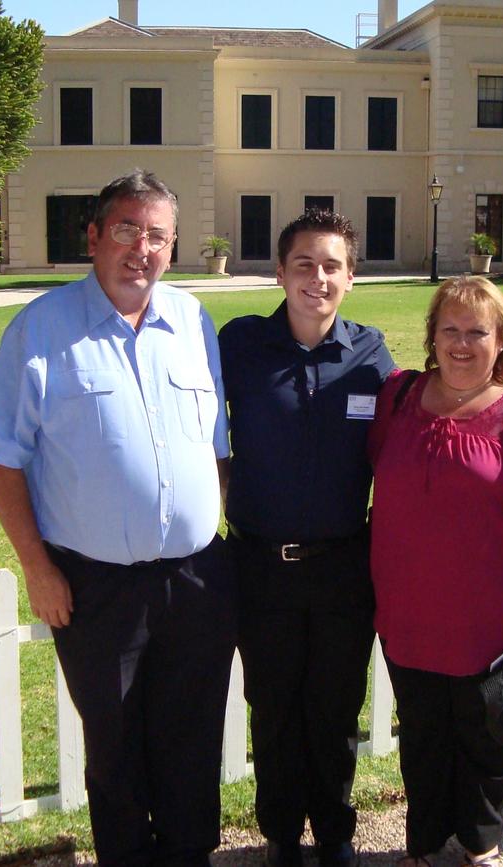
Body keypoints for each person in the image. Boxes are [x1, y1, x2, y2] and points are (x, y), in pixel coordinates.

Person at [0, 170, 236, 867]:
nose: (141, 248)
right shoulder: (42, 329)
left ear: (173, 248)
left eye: (158, 235)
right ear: (94, 236)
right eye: (126, 229)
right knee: (113, 742)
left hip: (196, 577)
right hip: (96, 584)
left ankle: (188, 854)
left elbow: (216, 447)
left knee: (193, 733)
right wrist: (37, 567)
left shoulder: (193, 322)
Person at [368, 276, 503, 867]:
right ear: (432, 336)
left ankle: (480, 842)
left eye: (477, 332)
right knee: (424, 733)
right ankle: (425, 842)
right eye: (450, 330)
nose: (462, 344)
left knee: (485, 737)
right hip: (407, 611)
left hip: (489, 616)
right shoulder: (400, 399)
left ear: (501, 341)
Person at [219, 209, 395, 867]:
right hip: (260, 562)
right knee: (272, 702)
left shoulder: (371, 356)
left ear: (350, 277)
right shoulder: (240, 345)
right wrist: (229, 490)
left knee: (334, 701)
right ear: (279, 271)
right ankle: (282, 834)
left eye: (330, 266)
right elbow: (201, 430)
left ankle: (335, 831)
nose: (316, 278)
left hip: (344, 563)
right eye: (303, 264)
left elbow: (401, 450)